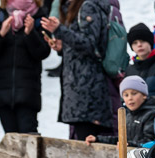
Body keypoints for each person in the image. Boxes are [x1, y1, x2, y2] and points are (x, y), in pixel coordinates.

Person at [41, 0, 113, 141]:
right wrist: (62, 46)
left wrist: (60, 30)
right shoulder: (71, 7)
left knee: (88, 147)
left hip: (88, 89)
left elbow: (89, 44)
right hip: (79, 90)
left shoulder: (88, 7)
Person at [0, 0, 51, 134]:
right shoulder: (0, 16)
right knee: (10, 141)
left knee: (28, 138)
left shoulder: (39, 18)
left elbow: (43, 52)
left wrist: (30, 34)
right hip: (3, 92)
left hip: (28, 93)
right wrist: (1, 34)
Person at [85, 76, 155, 147]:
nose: (130, 98)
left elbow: (150, 141)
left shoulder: (151, 114)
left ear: (144, 95)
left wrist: (130, 144)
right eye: (126, 95)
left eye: (134, 94)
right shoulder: (128, 116)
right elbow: (121, 139)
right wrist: (98, 139)